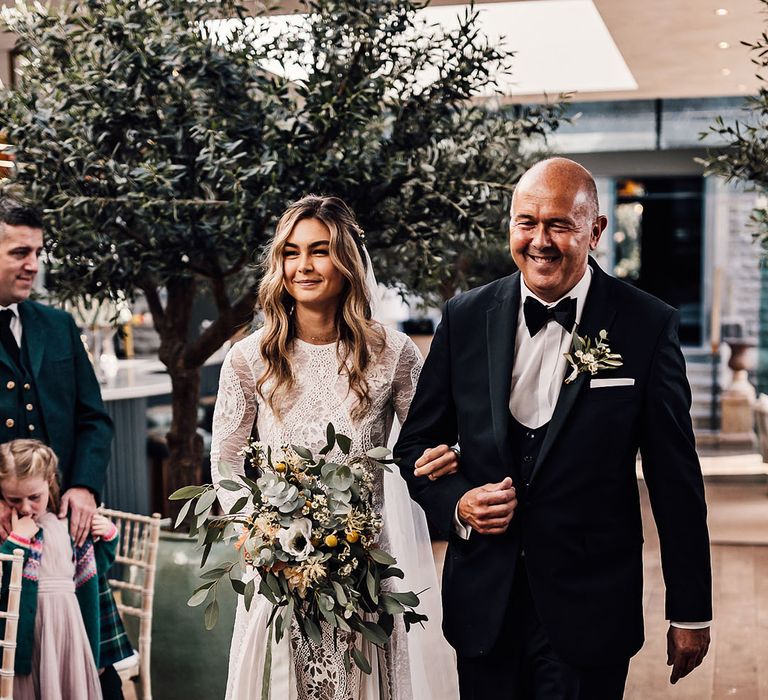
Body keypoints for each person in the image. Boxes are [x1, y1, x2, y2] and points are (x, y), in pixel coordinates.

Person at [394, 158, 712, 700]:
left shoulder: (645, 324)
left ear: (596, 230)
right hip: (484, 605)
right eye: (526, 222)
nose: (540, 241)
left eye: (560, 225)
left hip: (591, 606)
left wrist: (691, 610)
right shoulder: (465, 317)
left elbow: (674, 476)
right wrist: (457, 503)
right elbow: (415, 447)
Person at [210, 195, 459, 700]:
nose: (303, 266)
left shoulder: (393, 353)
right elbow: (227, 461)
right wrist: (262, 536)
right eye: (291, 252)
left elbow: (422, 446)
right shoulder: (248, 359)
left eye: (319, 251)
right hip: (281, 568)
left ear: (346, 261)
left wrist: (453, 462)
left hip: (367, 565)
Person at [0, 197, 113, 548]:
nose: (33, 265)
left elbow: (94, 419)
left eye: (37, 252)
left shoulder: (58, 325)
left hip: (66, 528)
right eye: (20, 253)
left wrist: (84, 486)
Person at [0, 439, 133, 699]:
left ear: (49, 483)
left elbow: (94, 570)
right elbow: (5, 579)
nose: (26, 508)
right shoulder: (9, 532)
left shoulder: (65, 525)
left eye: (34, 497)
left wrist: (109, 537)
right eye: (14, 499)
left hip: (68, 633)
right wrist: (17, 540)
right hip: (31, 637)